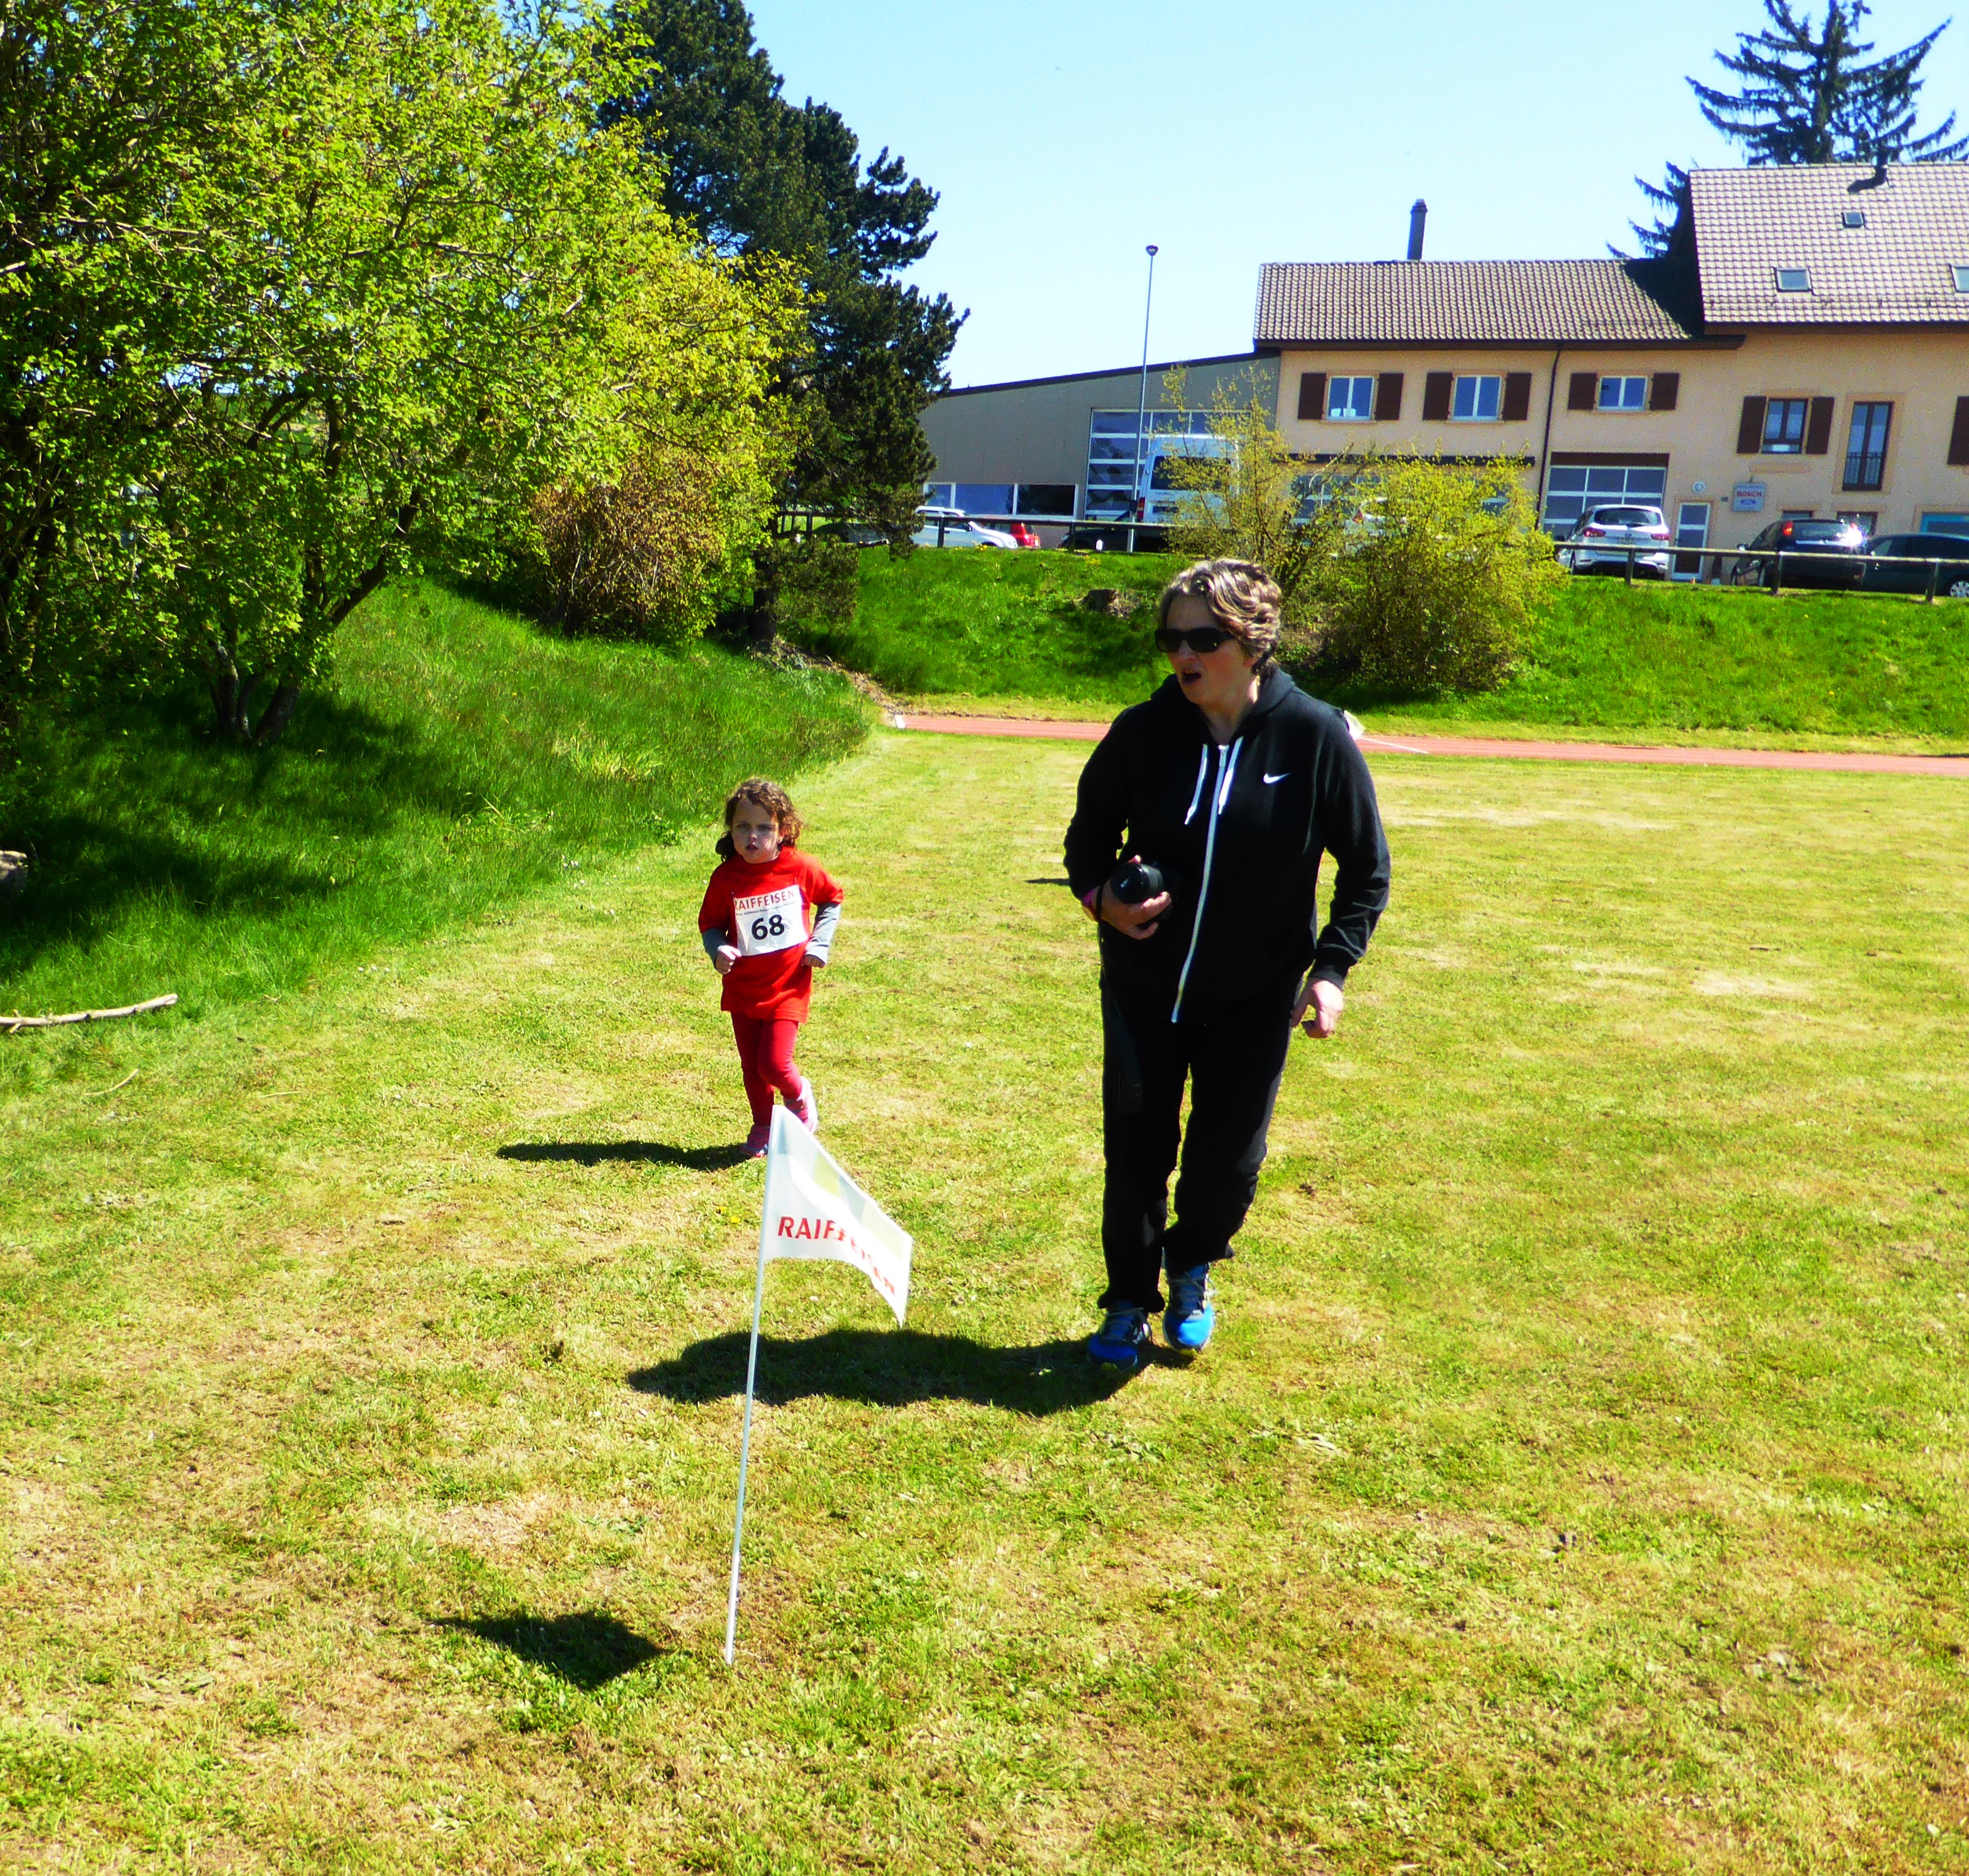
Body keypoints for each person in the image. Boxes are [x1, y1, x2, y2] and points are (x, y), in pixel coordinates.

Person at [1063, 558, 1390, 1367]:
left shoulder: (1312, 736)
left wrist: (1331, 970)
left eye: (1204, 638)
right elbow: (1087, 838)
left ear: (1253, 642)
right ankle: (1128, 1301)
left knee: (1228, 1168)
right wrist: (1102, 899)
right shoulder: (1142, 732)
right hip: (1142, 989)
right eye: (1171, 639)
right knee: (1136, 1157)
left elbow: (1366, 868)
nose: (1184, 654)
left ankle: (1192, 1265)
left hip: (1254, 996)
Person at [698, 778, 844, 1157]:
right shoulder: (726, 878)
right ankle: (763, 1125)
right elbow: (710, 924)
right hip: (744, 988)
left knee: (774, 1065)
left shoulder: (801, 867)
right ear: (730, 830)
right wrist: (718, 950)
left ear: (783, 830)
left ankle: (798, 1097)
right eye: (743, 827)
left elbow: (832, 899)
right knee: (752, 1068)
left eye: (764, 828)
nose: (753, 837)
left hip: (788, 985)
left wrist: (820, 942)